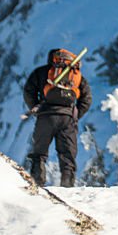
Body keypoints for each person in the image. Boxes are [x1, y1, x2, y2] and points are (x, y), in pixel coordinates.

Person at [23, 47, 93, 187]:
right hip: (67, 119)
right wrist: (75, 114)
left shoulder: (41, 72)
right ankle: (67, 186)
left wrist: (37, 108)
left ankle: (37, 182)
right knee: (67, 155)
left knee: (39, 153)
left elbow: (29, 91)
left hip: (45, 117)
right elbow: (87, 99)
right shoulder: (76, 75)